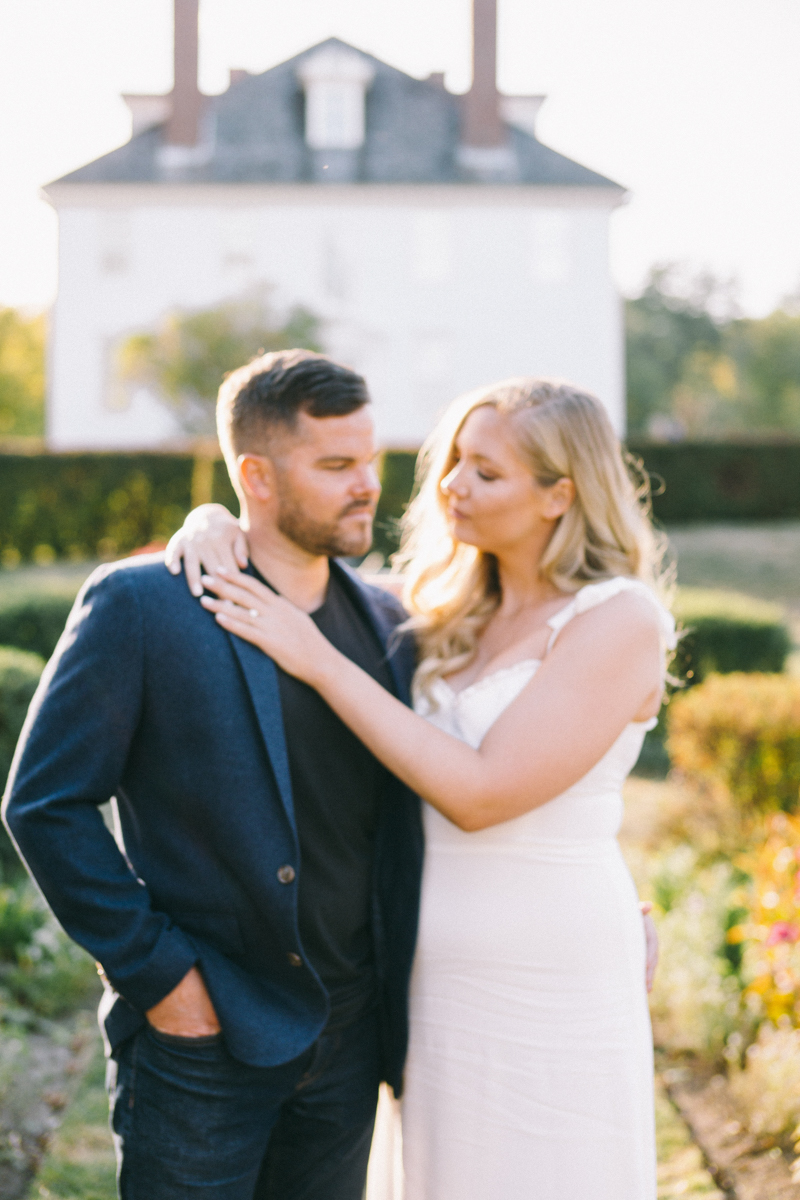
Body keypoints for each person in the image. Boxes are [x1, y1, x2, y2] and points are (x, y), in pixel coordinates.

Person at [170, 376, 675, 1200]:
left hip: (552, 968)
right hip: (425, 976)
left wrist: (316, 658)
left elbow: (480, 793)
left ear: (560, 495)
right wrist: (214, 519)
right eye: (454, 462)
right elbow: (291, 562)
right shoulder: (435, 609)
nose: (451, 486)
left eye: (486, 472)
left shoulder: (618, 620)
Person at [2, 350, 425, 1200]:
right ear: (257, 477)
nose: (368, 484)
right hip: (204, 1042)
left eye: (371, 457)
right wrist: (163, 979)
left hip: (350, 1048)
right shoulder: (142, 605)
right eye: (337, 464)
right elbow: (45, 802)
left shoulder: (393, 620)